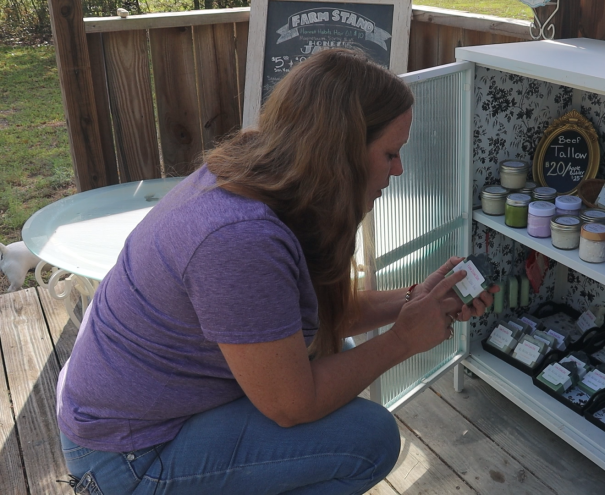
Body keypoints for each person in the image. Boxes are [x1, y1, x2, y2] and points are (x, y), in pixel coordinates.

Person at [56, 49, 497, 495]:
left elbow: (318, 315)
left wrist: (416, 299)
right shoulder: (239, 239)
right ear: (341, 153)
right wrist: (403, 339)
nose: (398, 170)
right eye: (391, 153)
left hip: (137, 407)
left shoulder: (263, 173)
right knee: (370, 439)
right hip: (125, 456)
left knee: (335, 353)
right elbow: (292, 405)